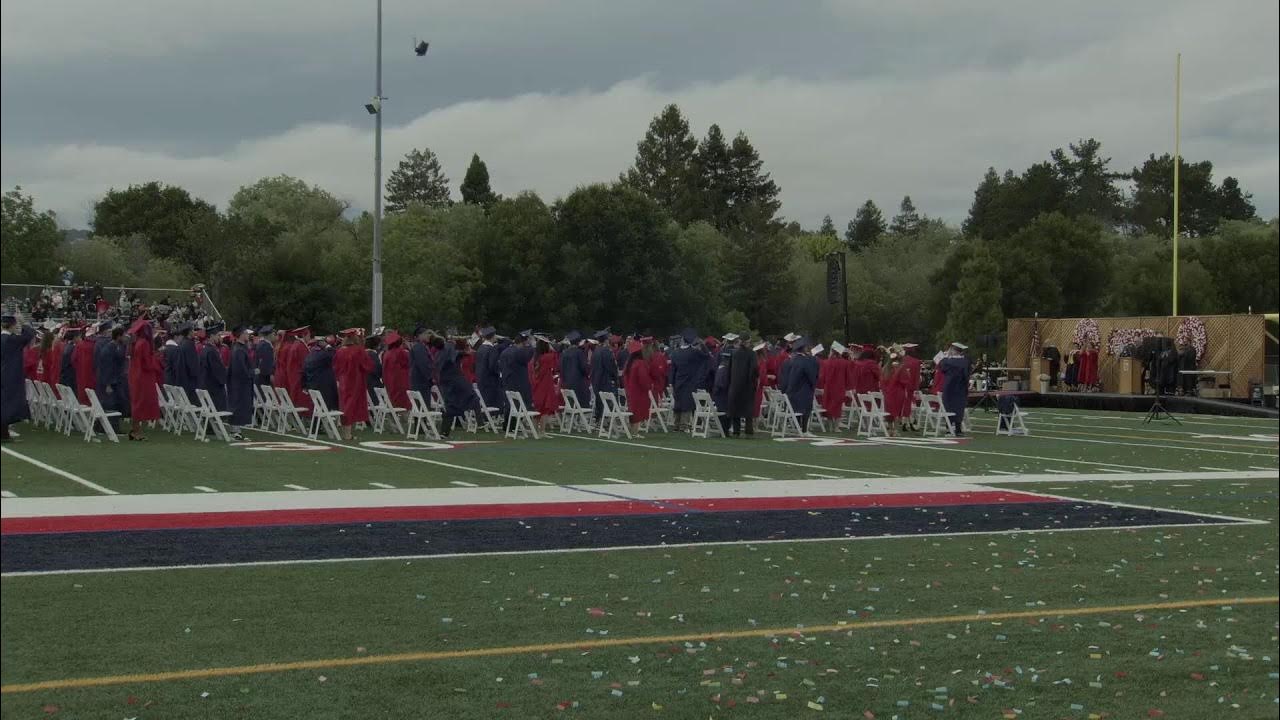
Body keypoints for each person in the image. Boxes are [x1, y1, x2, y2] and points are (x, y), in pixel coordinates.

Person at [433, 334, 479, 438]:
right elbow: (455, 355)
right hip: (452, 382)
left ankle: (444, 432)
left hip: (446, 383)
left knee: (451, 406)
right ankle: (480, 423)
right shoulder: (448, 351)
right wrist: (465, 353)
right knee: (467, 401)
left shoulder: (439, 354)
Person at [333, 328, 374, 441]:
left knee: (345, 405)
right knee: (352, 406)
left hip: (343, 382)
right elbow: (368, 366)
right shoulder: (359, 350)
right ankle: (347, 434)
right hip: (356, 381)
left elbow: (335, 367)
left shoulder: (340, 351)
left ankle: (347, 433)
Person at [1, 314, 37, 442]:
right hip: (10, 375)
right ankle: (4, 433)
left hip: (3, 374)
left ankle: (4, 432)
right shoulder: (11, 339)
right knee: (8, 405)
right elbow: (30, 334)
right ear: (12, 325)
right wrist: (23, 322)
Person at [126, 318, 162, 440]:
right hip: (143, 378)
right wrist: (157, 360)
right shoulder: (144, 344)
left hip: (135, 376)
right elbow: (147, 364)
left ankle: (135, 430)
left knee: (136, 404)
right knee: (140, 405)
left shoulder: (136, 343)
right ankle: (136, 432)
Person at [94, 325, 130, 434]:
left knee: (114, 403)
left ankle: (103, 427)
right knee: (110, 404)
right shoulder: (108, 349)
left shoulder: (116, 347)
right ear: (118, 336)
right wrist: (108, 384)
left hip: (116, 380)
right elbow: (106, 367)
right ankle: (110, 428)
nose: (125, 338)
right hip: (110, 382)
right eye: (123, 336)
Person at [782, 338, 819, 433]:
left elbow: (783, 378)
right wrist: (813, 384)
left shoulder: (788, 361)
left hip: (789, 394)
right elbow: (811, 377)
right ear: (804, 349)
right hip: (803, 392)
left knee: (797, 409)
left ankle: (796, 426)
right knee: (806, 410)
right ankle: (804, 430)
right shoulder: (805, 361)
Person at [668, 329, 701, 430]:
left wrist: (671, 382)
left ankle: (676, 423)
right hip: (690, 381)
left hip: (678, 380)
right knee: (687, 403)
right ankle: (684, 424)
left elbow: (673, 369)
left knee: (678, 401)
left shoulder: (675, 353)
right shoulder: (693, 352)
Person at [727, 335, 760, 437]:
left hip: (735, 384)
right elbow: (754, 369)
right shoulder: (752, 354)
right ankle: (748, 430)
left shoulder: (734, 353)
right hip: (747, 385)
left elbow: (729, 369)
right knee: (748, 409)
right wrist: (754, 381)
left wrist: (731, 382)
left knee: (735, 408)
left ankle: (736, 430)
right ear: (747, 342)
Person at [937, 342, 972, 436]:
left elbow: (941, 366)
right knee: (959, 408)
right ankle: (958, 429)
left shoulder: (947, 361)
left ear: (953, 350)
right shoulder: (965, 361)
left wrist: (945, 356)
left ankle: (948, 428)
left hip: (949, 388)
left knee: (948, 407)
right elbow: (967, 374)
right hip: (960, 388)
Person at [226, 326, 254, 440]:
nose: (248, 335)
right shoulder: (239, 350)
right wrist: (252, 373)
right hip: (240, 384)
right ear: (241, 334)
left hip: (239, 383)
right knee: (238, 406)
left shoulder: (239, 348)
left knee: (239, 405)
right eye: (246, 333)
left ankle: (236, 430)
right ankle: (235, 431)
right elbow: (241, 369)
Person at [622, 339, 654, 436]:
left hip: (630, 390)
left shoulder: (629, 363)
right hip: (639, 392)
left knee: (633, 411)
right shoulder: (640, 363)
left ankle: (632, 431)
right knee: (638, 412)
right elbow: (643, 379)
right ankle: (635, 432)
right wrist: (649, 386)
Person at [500, 330, 537, 410]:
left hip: (507, 384)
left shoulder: (505, 351)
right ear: (525, 341)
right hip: (519, 386)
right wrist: (533, 345)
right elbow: (528, 357)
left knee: (511, 408)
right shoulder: (519, 352)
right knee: (523, 407)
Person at [531, 336, 561, 433]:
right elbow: (556, 364)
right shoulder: (547, 357)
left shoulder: (534, 359)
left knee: (537, 409)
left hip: (536, 386)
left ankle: (534, 429)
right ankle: (542, 431)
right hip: (545, 385)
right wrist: (552, 349)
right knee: (544, 409)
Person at [588, 329, 618, 423]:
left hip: (596, 380)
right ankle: (605, 421)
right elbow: (611, 367)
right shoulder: (606, 351)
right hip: (605, 380)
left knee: (599, 401)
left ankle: (598, 420)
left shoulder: (596, 351)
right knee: (607, 401)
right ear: (605, 340)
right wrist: (615, 377)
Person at [302, 336, 339, 413]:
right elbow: (335, 355)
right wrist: (328, 346)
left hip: (313, 388)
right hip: (325, 390)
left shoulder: (308, 357)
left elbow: (304, 374)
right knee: (327, 408)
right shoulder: (323, 355)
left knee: (317, 409)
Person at [819, 342, 851, 425]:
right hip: (840, 387)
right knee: (837, 407)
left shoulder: (826, 362)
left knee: (828, 405)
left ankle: (830, 426)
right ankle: (836, 427)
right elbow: (848, 376)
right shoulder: (845, 363)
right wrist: (848, 387)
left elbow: (822, 377)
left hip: (828, 387)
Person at [474, 327, 504, 416]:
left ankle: (485, 417)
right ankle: (489, 417)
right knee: (491, 401)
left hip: (481, 377)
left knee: (484, 399)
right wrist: (499, 372)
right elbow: (492, 366)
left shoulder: (481, 348)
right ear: (493, 336)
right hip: (490, 379)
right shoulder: (491, 349)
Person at [199, 325, 229, 412]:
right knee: (219, 411)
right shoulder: (211, 351)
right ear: (212, 336)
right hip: (214, 389)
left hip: (206, 385)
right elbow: (217, 371)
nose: (219, 338)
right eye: (218, 335)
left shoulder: (205, 349)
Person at [558, 331, 590, 410]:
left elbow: (561, 368)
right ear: (579, 342)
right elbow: (584, 368)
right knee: (581, 405)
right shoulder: (579, 353)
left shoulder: (564, 353)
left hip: (567, 383)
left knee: (571, 404)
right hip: (579, 383)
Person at [408, 326, 437, 406]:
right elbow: (424, 365)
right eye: (426, 334)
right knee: (424, 406)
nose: (429, 336)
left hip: (418, 382)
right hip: (421, 383)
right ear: (419, 336)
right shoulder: (419, 348)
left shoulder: (420, 347)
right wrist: (431, 378)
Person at [173, 323, 202, 402]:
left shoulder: (182, 343)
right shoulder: (189, 345)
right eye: (192, 330)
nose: (194, 332)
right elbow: (192, 365)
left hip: (183, 380)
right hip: (190, 382)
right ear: (189, 332)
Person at [382, 331, 410, 409]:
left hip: (389, 379)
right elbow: (408, 363)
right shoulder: (401, 352)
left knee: (393, 399)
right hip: (400, 379)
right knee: (403, 400)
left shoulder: (387, 353)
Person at [74, 322, 100, 403]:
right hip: (93, 376)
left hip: (81, 376)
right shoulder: (96, 345)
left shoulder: (79, 345)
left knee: (82, 397)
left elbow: (73, 360)